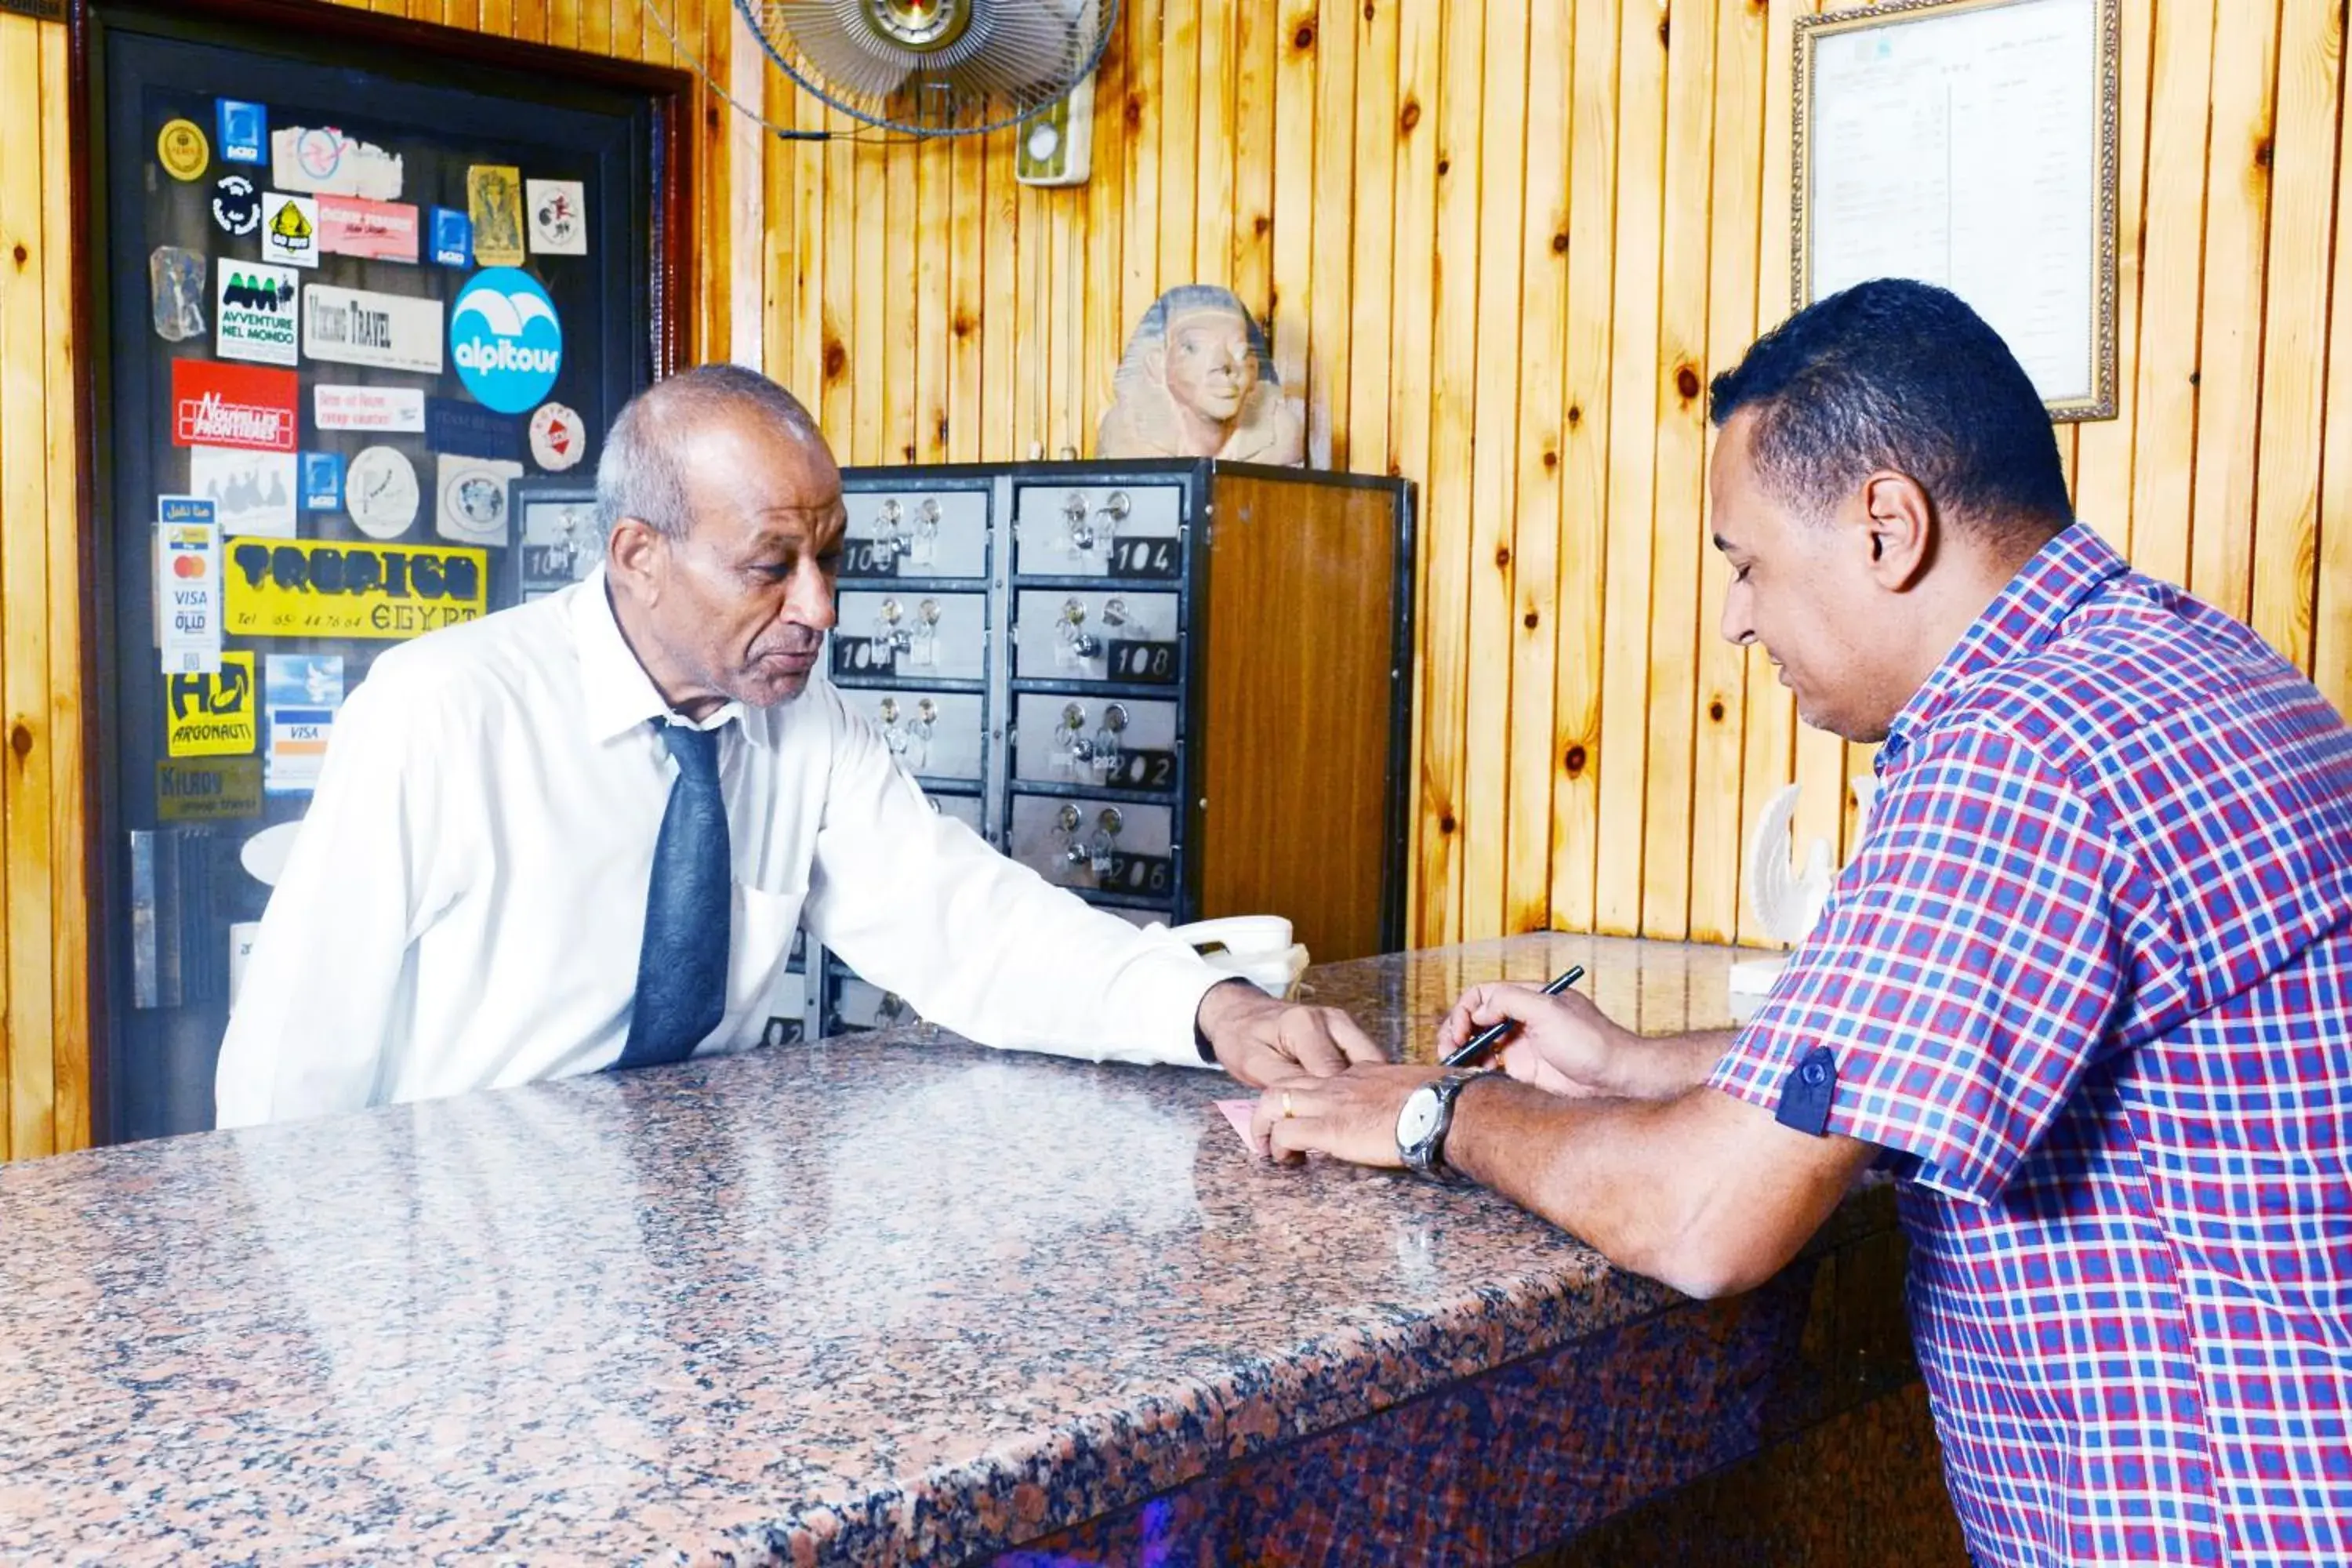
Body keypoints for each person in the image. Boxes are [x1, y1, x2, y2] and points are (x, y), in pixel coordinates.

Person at [1253, 280, 2352, 1566]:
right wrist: (1626, 1067)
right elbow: (1918, 1050)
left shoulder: (2021, 750)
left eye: (1748, 562)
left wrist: (1433, 1112)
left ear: (1887, 525)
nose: (1736, 619)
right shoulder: (2187, 667)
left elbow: (1708, 1220)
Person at [217, 365, 1376, 1126]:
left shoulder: (799, 722)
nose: (820, 608)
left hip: (703, 1233)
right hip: (464, 1267)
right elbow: (286, 1080)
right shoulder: (440, 713)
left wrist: (1213, 1009)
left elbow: (969, 927)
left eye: (833, 558)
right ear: (638, 557)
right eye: (773, 567)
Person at [1095, 285, 1305, 465]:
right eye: (1194, 348)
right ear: (1158, 365)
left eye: (1239, 351)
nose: (1224, 365)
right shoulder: (1128, 433)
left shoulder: (1280, 435)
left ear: (1252, 369)